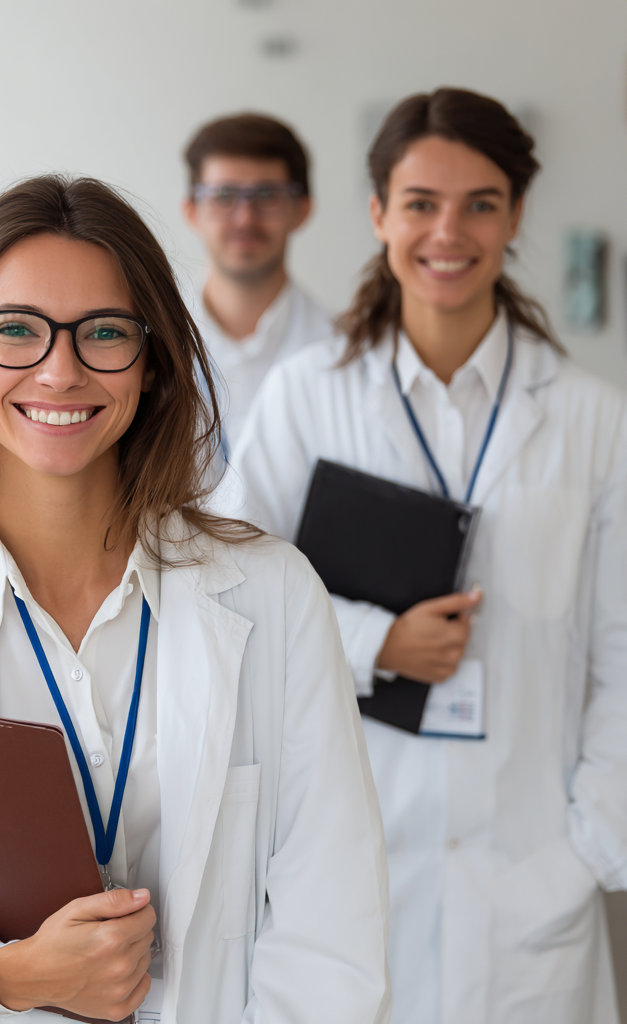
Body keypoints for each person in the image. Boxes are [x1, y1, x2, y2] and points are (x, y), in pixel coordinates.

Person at [0, 175, 391, 1024]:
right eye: (16, 330)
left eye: (104, 333)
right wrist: (4, 978)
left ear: (153, 357)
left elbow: (332, 929)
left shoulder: (274, 598)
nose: (61, 370)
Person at [220, 88, 627, 1024]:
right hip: (351, 879)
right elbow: (228, 598)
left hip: (530, 891)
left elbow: (620, 651)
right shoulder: (306, 398)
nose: (450, 231)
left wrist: (587, 850)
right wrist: (372, 645)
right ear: (377, 214)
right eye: (420, 203)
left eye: (481, 203)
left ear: (517, 216)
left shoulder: (591, 419)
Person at [181, 113, 333, 453]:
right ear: (192, 210)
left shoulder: (346, 351)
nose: (245, 217)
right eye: (223, 195)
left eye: (267, 195)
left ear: (302, 210)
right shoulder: (151, 342)